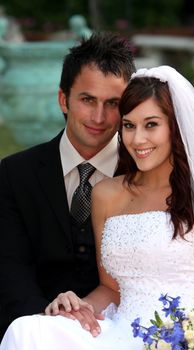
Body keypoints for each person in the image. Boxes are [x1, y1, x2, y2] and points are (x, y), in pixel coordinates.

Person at [1, 65, 194, 349]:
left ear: (175, 126)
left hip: (191, 335)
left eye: (151, 124)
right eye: (129, 125)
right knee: (28, 330)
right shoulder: (107, 194)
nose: (137, 140)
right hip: (123, 330)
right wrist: (78, 307)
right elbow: (111, 289)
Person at [0, 32, 135, 339]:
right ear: (64, 100)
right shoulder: (15, 173)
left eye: (112, 103)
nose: (98, 117)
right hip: (36, 327)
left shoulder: (144, 172)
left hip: (127, 329)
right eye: (88, 100)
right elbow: (9, 272)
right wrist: (52, 328)